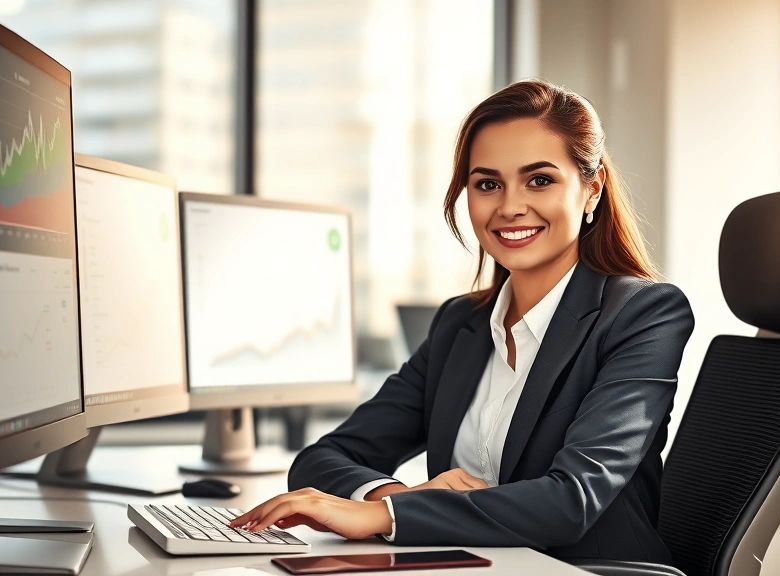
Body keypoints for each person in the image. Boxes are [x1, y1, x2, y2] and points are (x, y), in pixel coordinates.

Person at [230, 78, 694, 565]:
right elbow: (323, 459)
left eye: (540, 179)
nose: (510, 206)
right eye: (488, 184)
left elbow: (571, 501)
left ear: (591, 189)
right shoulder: (460, 325)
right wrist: (389, 495)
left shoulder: (642, 315)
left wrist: (385, 517)